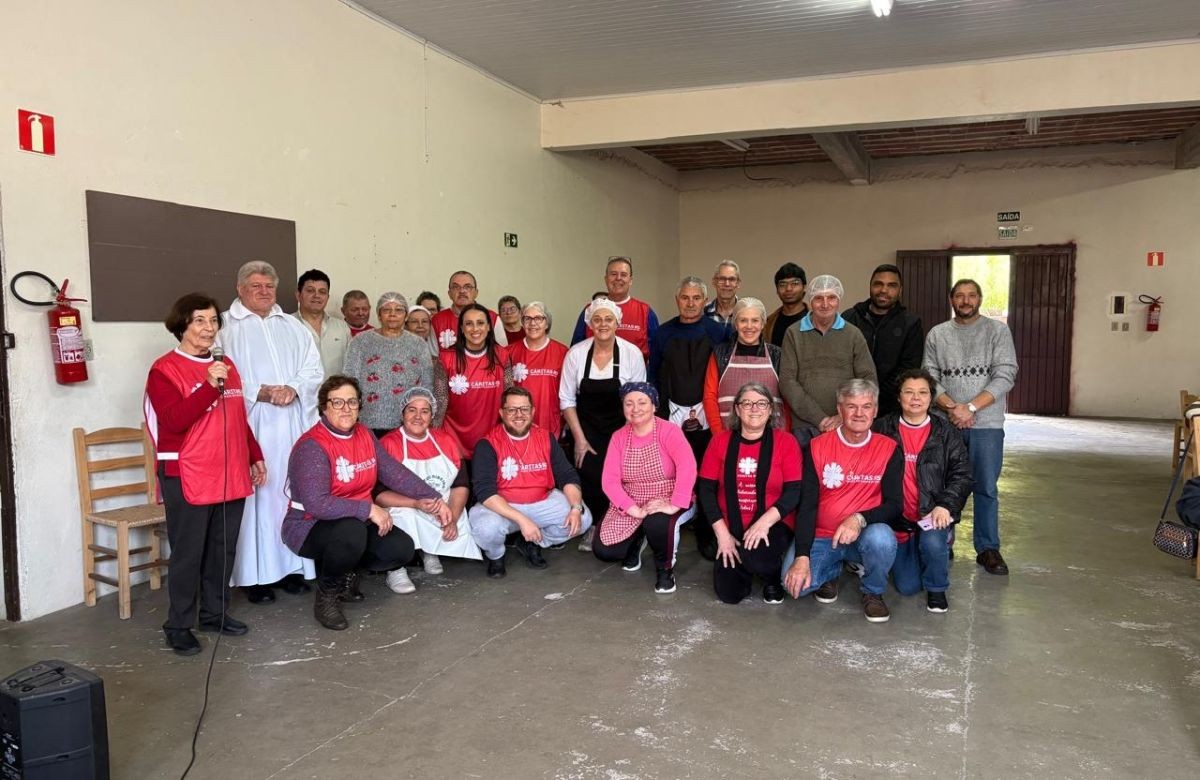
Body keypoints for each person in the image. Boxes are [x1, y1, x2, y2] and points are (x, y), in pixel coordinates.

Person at [145, 293, 267, 656]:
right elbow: (174, 421)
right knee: (189, 553)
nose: (208, 328)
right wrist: (206, 386)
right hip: (187, 472)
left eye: (213, 320)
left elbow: (236, 416)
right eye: (200, 320)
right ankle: (178, 624)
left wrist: (254, 454)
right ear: (182, 325)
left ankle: (214, 613)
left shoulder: (225, 363)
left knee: (222, 550)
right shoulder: (163, 370)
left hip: (229, 469)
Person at [282, 376, 448, 630]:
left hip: (354, 522)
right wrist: (368, 508)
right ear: (324, 407)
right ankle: (327, 595)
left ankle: (348, 572)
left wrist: (432, 498)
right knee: (351, 531)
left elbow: (393, 472)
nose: (346, 409)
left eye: (351, 402)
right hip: (309, 526)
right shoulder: (312, 446)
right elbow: (317, 504)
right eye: (337, 403)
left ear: (360, 406)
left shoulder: (364, 435)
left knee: (400, 549)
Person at [219, 260, 322, 604]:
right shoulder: (224, 326)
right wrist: (259, 392)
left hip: (291, 424)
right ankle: (254, 576)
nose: (263, 292)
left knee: (291, 495)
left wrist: (293, 387)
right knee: (256, 499)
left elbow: (313, 370)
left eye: (269, 287)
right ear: (240, 289)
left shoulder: (293, 326)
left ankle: (292, 567)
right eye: (255, 286)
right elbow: (218, 374)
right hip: (251, 426)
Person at [783, 379, 905, 623]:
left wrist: (859, 519)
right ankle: (832, 570)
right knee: (793, 586)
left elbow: (894, 505)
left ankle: (873, 592)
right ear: (839, 410)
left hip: (865, 534)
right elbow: (807, 505)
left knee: (881, 538)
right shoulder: (816, 446)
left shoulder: (889, 448)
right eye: (851, 406)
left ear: (875, 410)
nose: (859, 413)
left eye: (866, 406)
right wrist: (803, 556)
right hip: (823, 535)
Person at [923, 279, 1018, 576]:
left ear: (979, 299)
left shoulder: (997, 332)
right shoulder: (938, 334)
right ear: (951, 299)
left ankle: (988, 548)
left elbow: (1006, 374)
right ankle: (943, 540)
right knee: (941, 485)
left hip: (986, 425)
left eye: (971, 296)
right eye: (960, 296)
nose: (965, 300)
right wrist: (952, 408)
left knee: (986, 488)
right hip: (945, 424)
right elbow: (928, 376)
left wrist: (971, 407)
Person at [874, 369, 973, 612]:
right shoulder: (882, 428)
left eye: (922, 393)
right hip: (898, 520)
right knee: (908, 586)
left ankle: (938, 588)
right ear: (899, 397)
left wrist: (946, 505)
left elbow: (963, 474)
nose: (915, 398)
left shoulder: (945, 432)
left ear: (931, 398)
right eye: (909, 392)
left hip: (931, 514)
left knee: (933, 544)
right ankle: (915, 553)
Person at [469, 387, 593, 577]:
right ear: (502, 413)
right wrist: (522, 520)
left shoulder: (545, 438)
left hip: (541, 501)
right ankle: (496, 555)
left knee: (583, 519)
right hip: (504, 506)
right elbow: (485, 492)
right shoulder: (487, 444)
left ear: (532, 411)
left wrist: (576, 507)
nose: (519, 415)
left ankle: (532, 542)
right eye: (512, 410)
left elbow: (568, 476)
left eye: (524, 409)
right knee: (485, 529)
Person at [697, 383, 802, 605]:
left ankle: (771, 576)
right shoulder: (720, 442)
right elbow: (706, 490)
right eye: (747, 403)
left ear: (771, 409)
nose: (754, 408)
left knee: (757, 557)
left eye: (761, 403)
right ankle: (746, 563)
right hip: (731, 525)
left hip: (773, 523)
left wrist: (764, 523)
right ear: (737, 409)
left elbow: (794, 491)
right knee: (729, 594)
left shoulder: (786, 442)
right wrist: (722, 536)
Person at [648, 276, 729, 560]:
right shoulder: (663, 333)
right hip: (672, 416)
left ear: (704, 301)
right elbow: (654, 373)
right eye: (685, 297)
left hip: (709, 417)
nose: (691, 303)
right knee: (675, 474)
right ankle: (670, 528)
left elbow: (724, 373)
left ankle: (709, 533)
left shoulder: (719, 332)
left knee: (709, 476)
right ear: (677, 299)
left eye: (697, 298)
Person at [560, 298, 647, 551]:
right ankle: (595, 527)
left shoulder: (631, 353)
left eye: (608, 319)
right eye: (597, 319)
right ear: (589, 323)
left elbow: (639, 401)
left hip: (621, 429)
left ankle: (626, 527)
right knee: (589, 476)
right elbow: (566, 399)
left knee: (621, 478)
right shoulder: (576, 354)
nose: (603, 324)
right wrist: (579, 439)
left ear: (617, 322)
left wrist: (632, 439)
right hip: (586, 430)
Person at [595, 383, 696, 594]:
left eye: (642, 402)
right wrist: (632, 509)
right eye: (629, 403)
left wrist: (674, 504)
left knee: (658, 523)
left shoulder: (670, 431)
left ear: (654, 406)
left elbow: (688, 467)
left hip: (668, 494)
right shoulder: (619, 437)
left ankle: (665, 568)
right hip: (633, 497)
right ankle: (639, 539)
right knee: (605, 551)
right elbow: (610, 481)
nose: (635, 408)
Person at [377, 388, 480, 591]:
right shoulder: (388, 444)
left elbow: (461, 484)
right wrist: (415, 503)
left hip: (441, 508)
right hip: (405, 506)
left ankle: (430, 550)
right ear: (402, 413)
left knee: (452, 503)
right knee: (402, 513)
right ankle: (396, 568)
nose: (418, 416)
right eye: (412, 410)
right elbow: (378, 496)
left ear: (432, 415)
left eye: (424, 411)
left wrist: (452, 515)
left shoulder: (445, 440)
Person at [778, 274, 877, 443]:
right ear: (810, 300)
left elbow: (868, 380)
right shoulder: (793, 333)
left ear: (839, 300)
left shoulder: (853, 334)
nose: (825, 304)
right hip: (804, 426)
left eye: (831, 297)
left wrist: (843, 416)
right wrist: (819, 418)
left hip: (846, 423)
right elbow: (787, 381)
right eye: (818, 298)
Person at [343, 292, 446, 438]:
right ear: (379, 315)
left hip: (408, 423)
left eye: (398, 310)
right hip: (368, 422)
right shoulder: (360, 342)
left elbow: (427, 385)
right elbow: (349, 381)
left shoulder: (418, 344)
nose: (392, 314)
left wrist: (422, 417)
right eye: (386, 310)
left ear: (405, 316)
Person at [842, 264, 925, 417]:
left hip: (891, 409)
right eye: (878, 284)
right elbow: (840, 360)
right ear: (870, 286)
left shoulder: (911, 323)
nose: (884, 290)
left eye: (891, 285)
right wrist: (858, 396)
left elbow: (908, 368)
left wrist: (875, 397)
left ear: (900, 290)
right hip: (851, 404)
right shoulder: (849, 318)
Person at [703, 297, 789, 436]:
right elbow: (709, 397)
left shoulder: (777, 355)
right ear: (735, 324)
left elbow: (787, 400)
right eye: (743, 320)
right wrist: (719, 435)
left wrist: (783, 436)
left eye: (755, 320)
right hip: (728, 436)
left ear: (763, 324)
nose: (749, 326)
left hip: (772, 437)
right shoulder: (720, 354)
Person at [438, 303, 511, 459]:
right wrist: (435, 438)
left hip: (493, 441)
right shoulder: (446, 358)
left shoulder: (502, 356)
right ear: (462, 329)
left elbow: (509, 399)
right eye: (469, 324)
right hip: (453, 441)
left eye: (480, 323)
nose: (475, 329)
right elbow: (440, 401)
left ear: (489, 327)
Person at [570, 256, 658, 360]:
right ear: (606, 279)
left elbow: (657, 353)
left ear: (630, 280)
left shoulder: (645, 311)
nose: (618, 278)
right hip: (595, 374)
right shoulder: (590, 311)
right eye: (613, 274)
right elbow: (576, 350)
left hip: (635, 375)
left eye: (623, 275)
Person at [507, 301, 568, 439]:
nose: (532, 323)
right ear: (522, 323)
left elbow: (568, 393)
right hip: (517, 424)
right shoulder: (509, 352)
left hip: (550, 423)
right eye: (527, 318)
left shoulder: (562, 352)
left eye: (538, 318)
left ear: (547, 323)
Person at [293, 269, 352, 379]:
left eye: (322, 292)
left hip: (336, 394)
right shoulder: (287, 326)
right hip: (300, 395)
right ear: (298, 295)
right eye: (310, 291)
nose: (316, 295)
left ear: (327, 297)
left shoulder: (342, 327)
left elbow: (351, 365)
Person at [431, 271, 497, 350]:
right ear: (449, 293)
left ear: (476, 293)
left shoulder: (492, 317)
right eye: (456, 287)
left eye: (467, 287)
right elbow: (433, 356)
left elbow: (502, 354)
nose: (462, 291)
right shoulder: (437, 320)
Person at [765, 262, 808, 348]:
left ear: (804, 287)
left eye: (795, 283)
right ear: (777, 290)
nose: (788, 289)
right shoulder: (768, 323)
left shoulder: (815, 318)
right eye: (783, 284)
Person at [703, 260, 741, 324]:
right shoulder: (703, 312)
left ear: (738, 284)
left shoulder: (747, 311)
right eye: (722, 279)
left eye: (731, 279)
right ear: (714, 282)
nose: (727, 284)